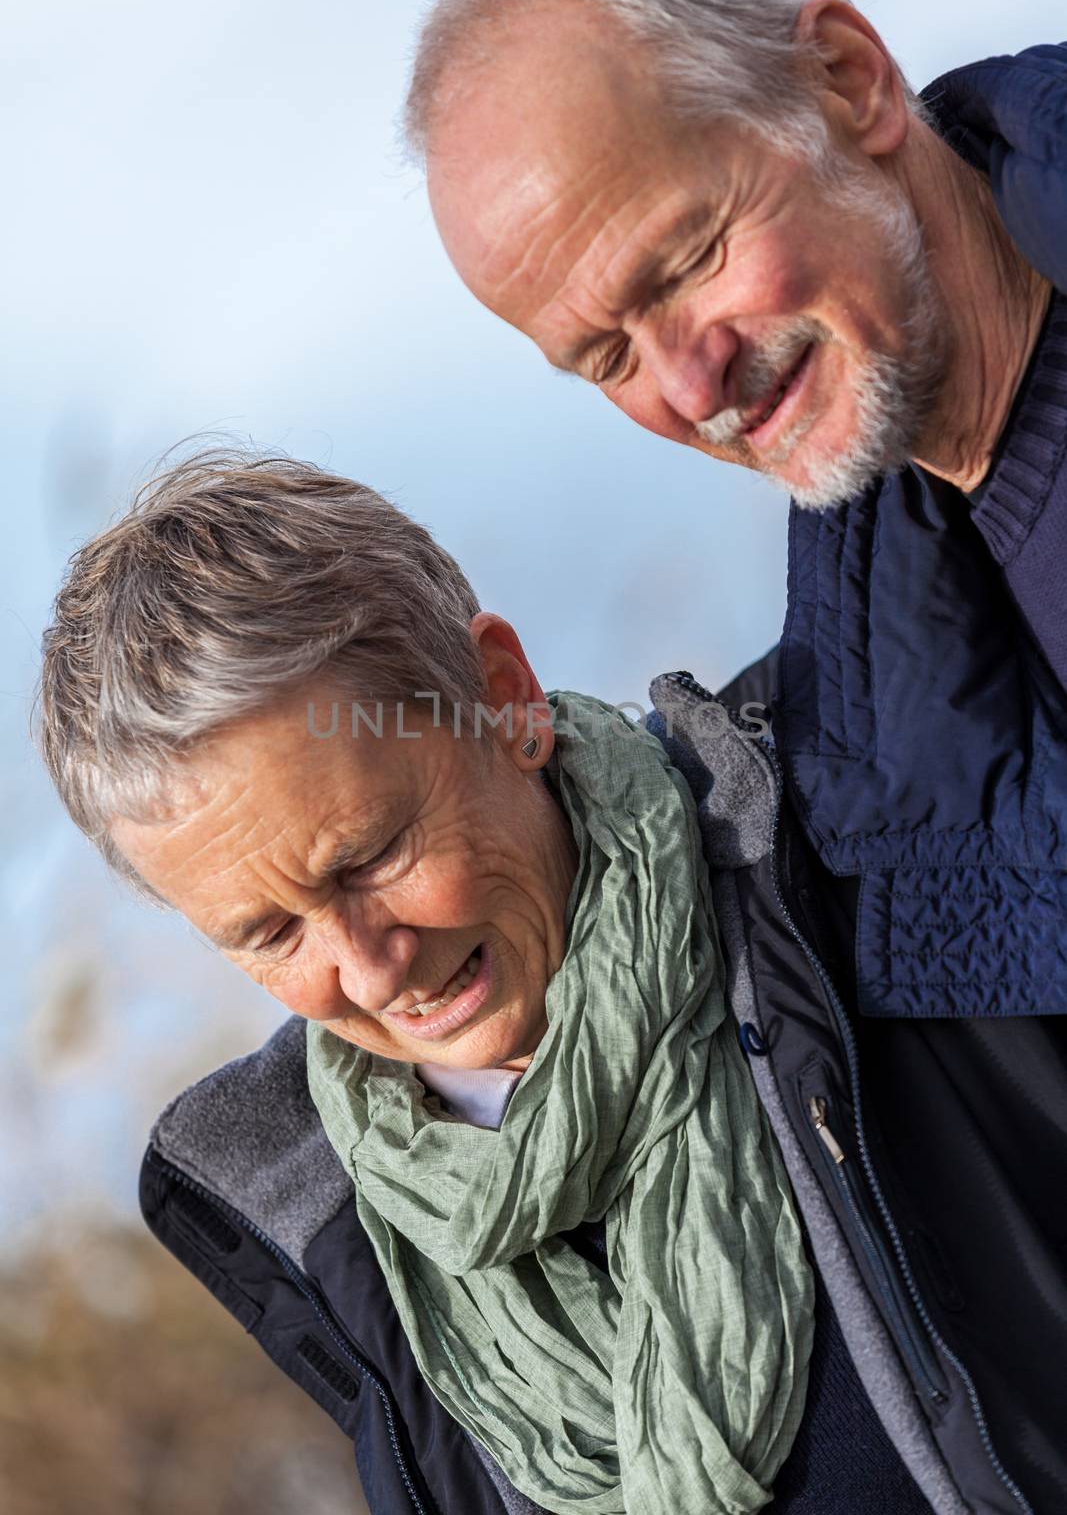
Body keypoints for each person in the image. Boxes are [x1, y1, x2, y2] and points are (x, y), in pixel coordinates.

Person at [403, 0, 1067, 1509]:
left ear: (844, 82)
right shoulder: (850, 776)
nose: (686, 385)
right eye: (599, 357)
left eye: (682, 261)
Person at [36, 450, 946, 1515]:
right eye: (272, 931)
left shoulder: (875, 886)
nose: (370, 965)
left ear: (505, 698)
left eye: (372, 854)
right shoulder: (330, 1241)